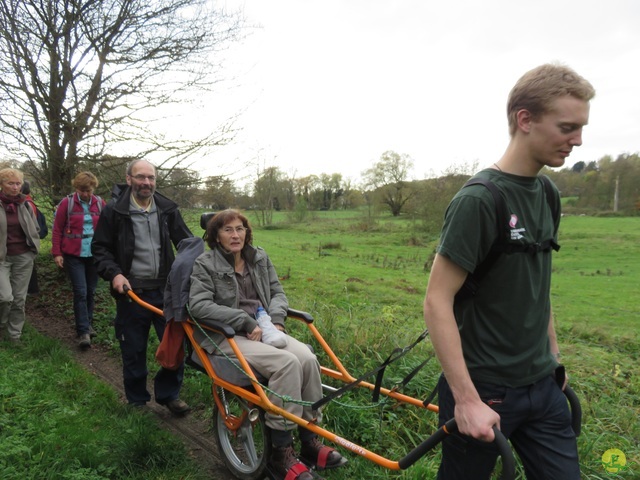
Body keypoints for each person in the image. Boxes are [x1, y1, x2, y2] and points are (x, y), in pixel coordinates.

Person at [423, 63, 595, 480]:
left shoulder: (549, 194)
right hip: (486, 391)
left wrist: (552, 358)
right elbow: (436, 301)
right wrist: (465, 400)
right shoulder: (480, 200)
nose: (578, 140)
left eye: (581, 128)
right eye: (568, 127)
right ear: (525, 120)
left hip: (544, 386)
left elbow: (537, 286)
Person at [189, 209, 346, 480]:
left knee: (307, 358)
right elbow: (198, 306)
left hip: (265, 328)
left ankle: (309, 440)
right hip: (227, 334)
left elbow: (277, 292)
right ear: (216, 236)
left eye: (240, 228)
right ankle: (280, 452)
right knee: (286, 364)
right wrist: (244, 322)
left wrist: (277, 321)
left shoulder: (259, 257)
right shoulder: (205, 264)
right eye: (227, 230)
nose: (235, 235)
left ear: (247, 232)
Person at [92, 159, 192, 415]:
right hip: (132, 294)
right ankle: (137, 400)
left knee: (173, 347)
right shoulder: (114, 211)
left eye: (150, 178)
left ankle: (169, 395)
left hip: (166, 293)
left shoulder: (167, 210)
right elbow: (100, 249)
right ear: (129, 179)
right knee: (133, 348)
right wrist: (114, 274)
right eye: (140, 177)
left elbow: (187, 244)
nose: (146, 182)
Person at [51, 172, 106, 349]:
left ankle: (88, 324)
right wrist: (57, 253)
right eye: (82, 190)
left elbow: (107, 228)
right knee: (80, 291)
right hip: (73, 255)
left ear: (93, 189)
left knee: (90, 291)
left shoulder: (99, 203)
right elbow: (57, 229)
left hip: (93, 255)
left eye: (88, 190)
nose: (85, 194)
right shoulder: (67, 203)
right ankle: (83, 331)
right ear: (76, 188)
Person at [0, 168, 40, 342]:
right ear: (2, 185)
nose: (15, 187)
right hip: (2, 258)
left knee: (18, 299)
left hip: (23, 256)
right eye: (11, 183)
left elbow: (35, 228)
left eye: (18, 183)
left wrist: (33, 248)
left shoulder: (25, 204)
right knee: (5, 297)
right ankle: (1, 328)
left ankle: (14, 335)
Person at [20, 180, 47, 295]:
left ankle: (31, 290)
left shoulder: (26, 203)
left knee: (29, 266)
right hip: (28, 240)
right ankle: (32, 290)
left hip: (27, 240)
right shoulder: (29, 201)